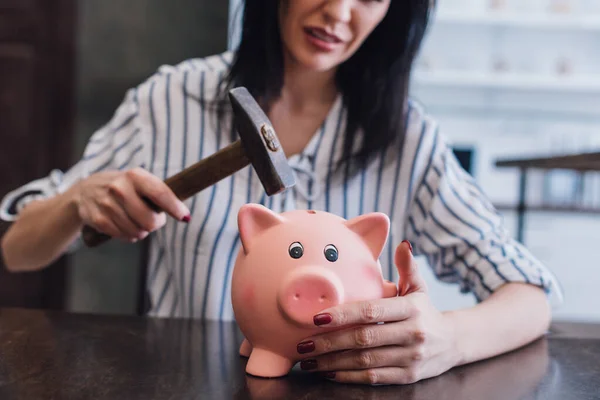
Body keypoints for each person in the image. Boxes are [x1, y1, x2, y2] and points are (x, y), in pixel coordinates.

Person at [0, 0, 561, 386]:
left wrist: (450, 339)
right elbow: (16, 247)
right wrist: (77, 202)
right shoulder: (168, 100)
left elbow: (531, 295)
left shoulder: (407, 139)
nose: (339, 12)